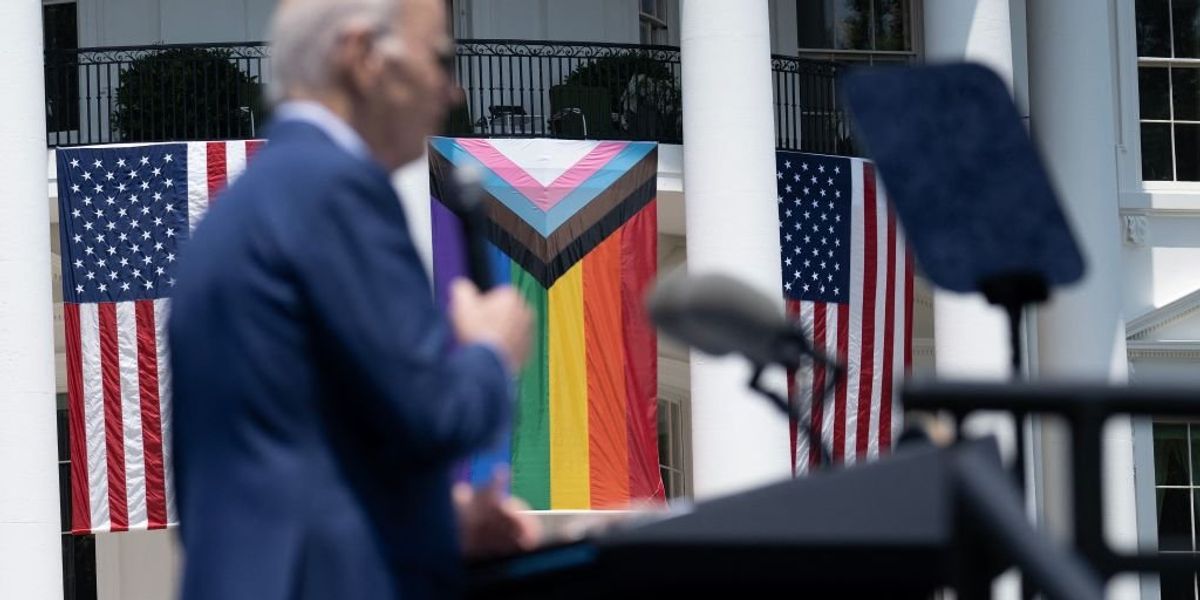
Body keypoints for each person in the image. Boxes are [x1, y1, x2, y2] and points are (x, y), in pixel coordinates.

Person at [167, 0, 538, 598]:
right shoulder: (335, 188)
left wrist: (439, 524)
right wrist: (492, 354)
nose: (455, 91)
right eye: (440, 57)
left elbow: (294, 459)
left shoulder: (238, 211)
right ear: (364, 56)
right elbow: (433, 414)